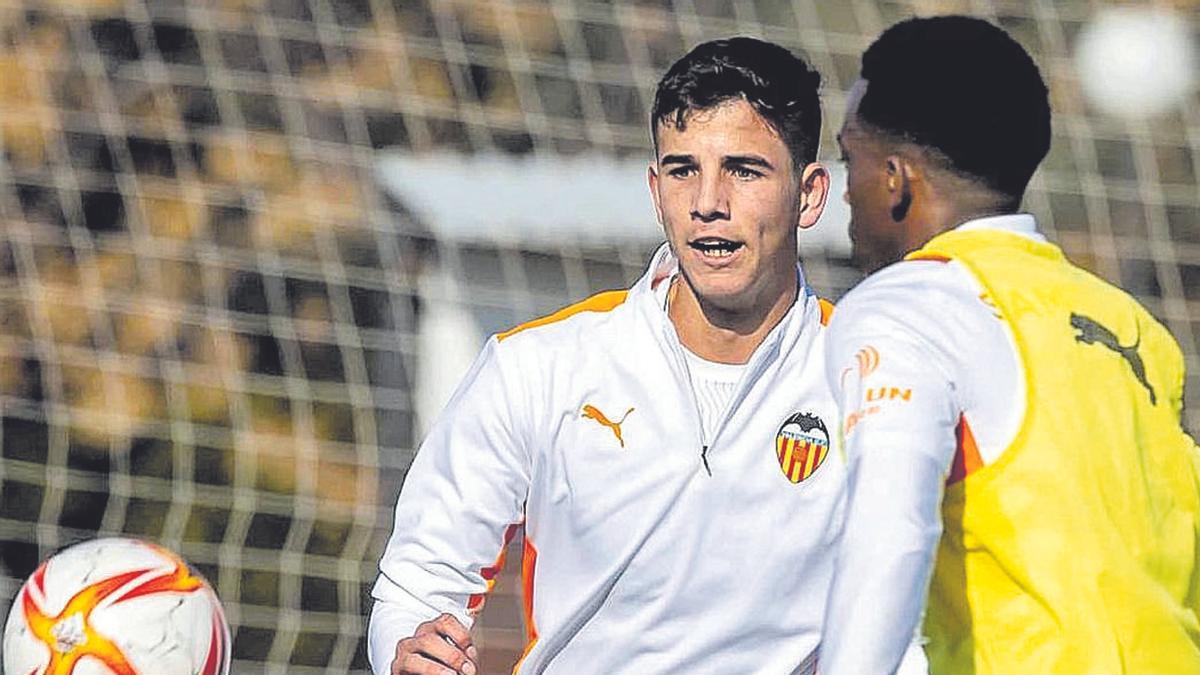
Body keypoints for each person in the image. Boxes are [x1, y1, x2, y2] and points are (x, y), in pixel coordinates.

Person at [369, 37, 860, 675]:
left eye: (744, 169)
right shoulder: (539, 368)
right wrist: (409, 651)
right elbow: (417, 580)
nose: (708, 202)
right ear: (656, 191)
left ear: (810, 193)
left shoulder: (870, 380)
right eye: (684, 170)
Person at [819, 15, 1200, 674]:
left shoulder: (908, 307)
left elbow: (891, 531)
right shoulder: (1134, 326)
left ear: (896, 180)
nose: (841, 186)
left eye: (849, 158)